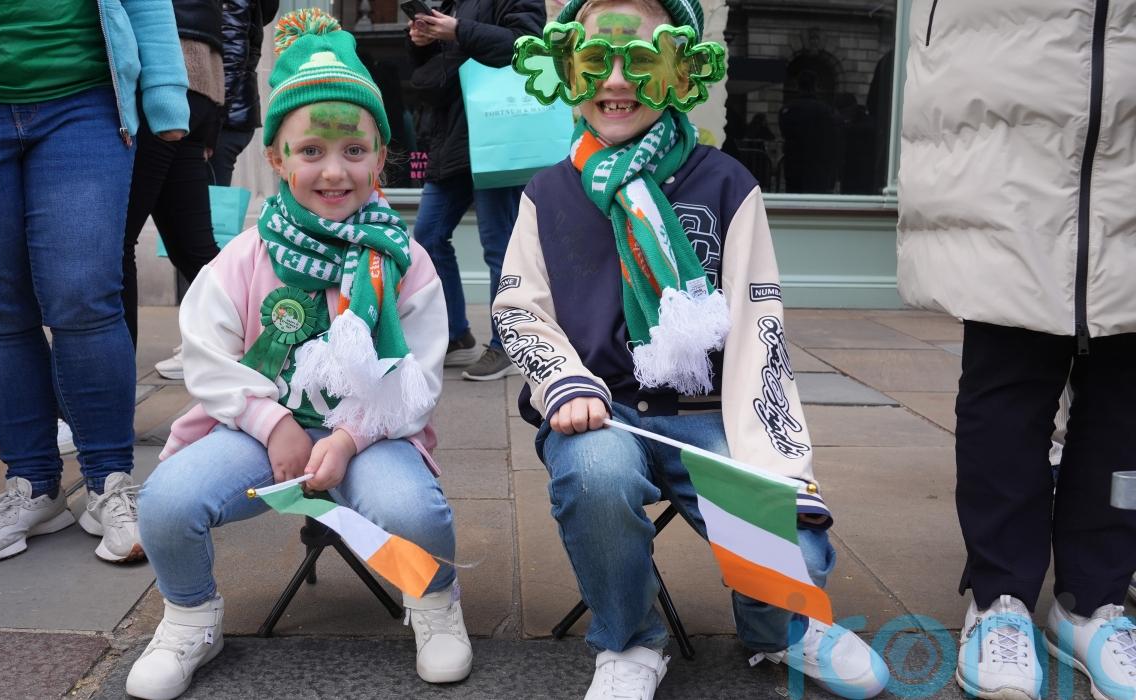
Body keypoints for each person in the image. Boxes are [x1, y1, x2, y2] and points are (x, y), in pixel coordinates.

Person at [492, 0, 888, 697]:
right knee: (597, 479)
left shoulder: (727, 183)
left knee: (795, 545)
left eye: (642, 61)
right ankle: (628, 642)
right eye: (596, 61)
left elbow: (760, 330)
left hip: (709, 414)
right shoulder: (546, 193)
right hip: (600, 411)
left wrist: (780, 467)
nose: (617, 81)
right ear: (569, 70)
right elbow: (519, 309)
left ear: (681, 72)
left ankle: (777, 630)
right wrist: (564, 383)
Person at [125, 11, 471, 699]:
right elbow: (206, 356)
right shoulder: (244, 257)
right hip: (258, 434)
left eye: (354, 150)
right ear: (279, 159)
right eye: (311, 150)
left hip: (370, 434)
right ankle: (191, 616)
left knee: (414, 512)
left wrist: (347, 438)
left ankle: (433, 602)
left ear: (381, 156)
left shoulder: (408, 261)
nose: (334, 171)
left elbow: (418, 378)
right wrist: (272, 422)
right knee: (165, 503)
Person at [898, 3, 1136, 699]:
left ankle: (1093, 602)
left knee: (1128, 392)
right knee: (1008, 375)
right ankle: (999, 597)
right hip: (1005, 88)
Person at [0, 0, 188, 564]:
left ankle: (109, 483)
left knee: (84, 296)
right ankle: (33, 487)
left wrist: (166, 91)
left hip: (82, 96)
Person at [406, 0, 544, 381]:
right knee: (428, 236)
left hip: (498, 132)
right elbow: (437, 72)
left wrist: (457, 31)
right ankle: (456, 334)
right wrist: (422, 42)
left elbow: (527, 43)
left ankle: (508, 344)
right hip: (455, 136)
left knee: (499, 243)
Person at [123, 0, 227, 379]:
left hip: (157, 77)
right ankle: (250, 351)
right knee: (195, 249)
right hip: (201, 81)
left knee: (115, 243)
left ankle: (109, 386)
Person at [209, 0, 280, 187]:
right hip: (228, 114)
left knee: (212, 200)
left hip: (223, 118)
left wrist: (213, 123)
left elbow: (231, 58)